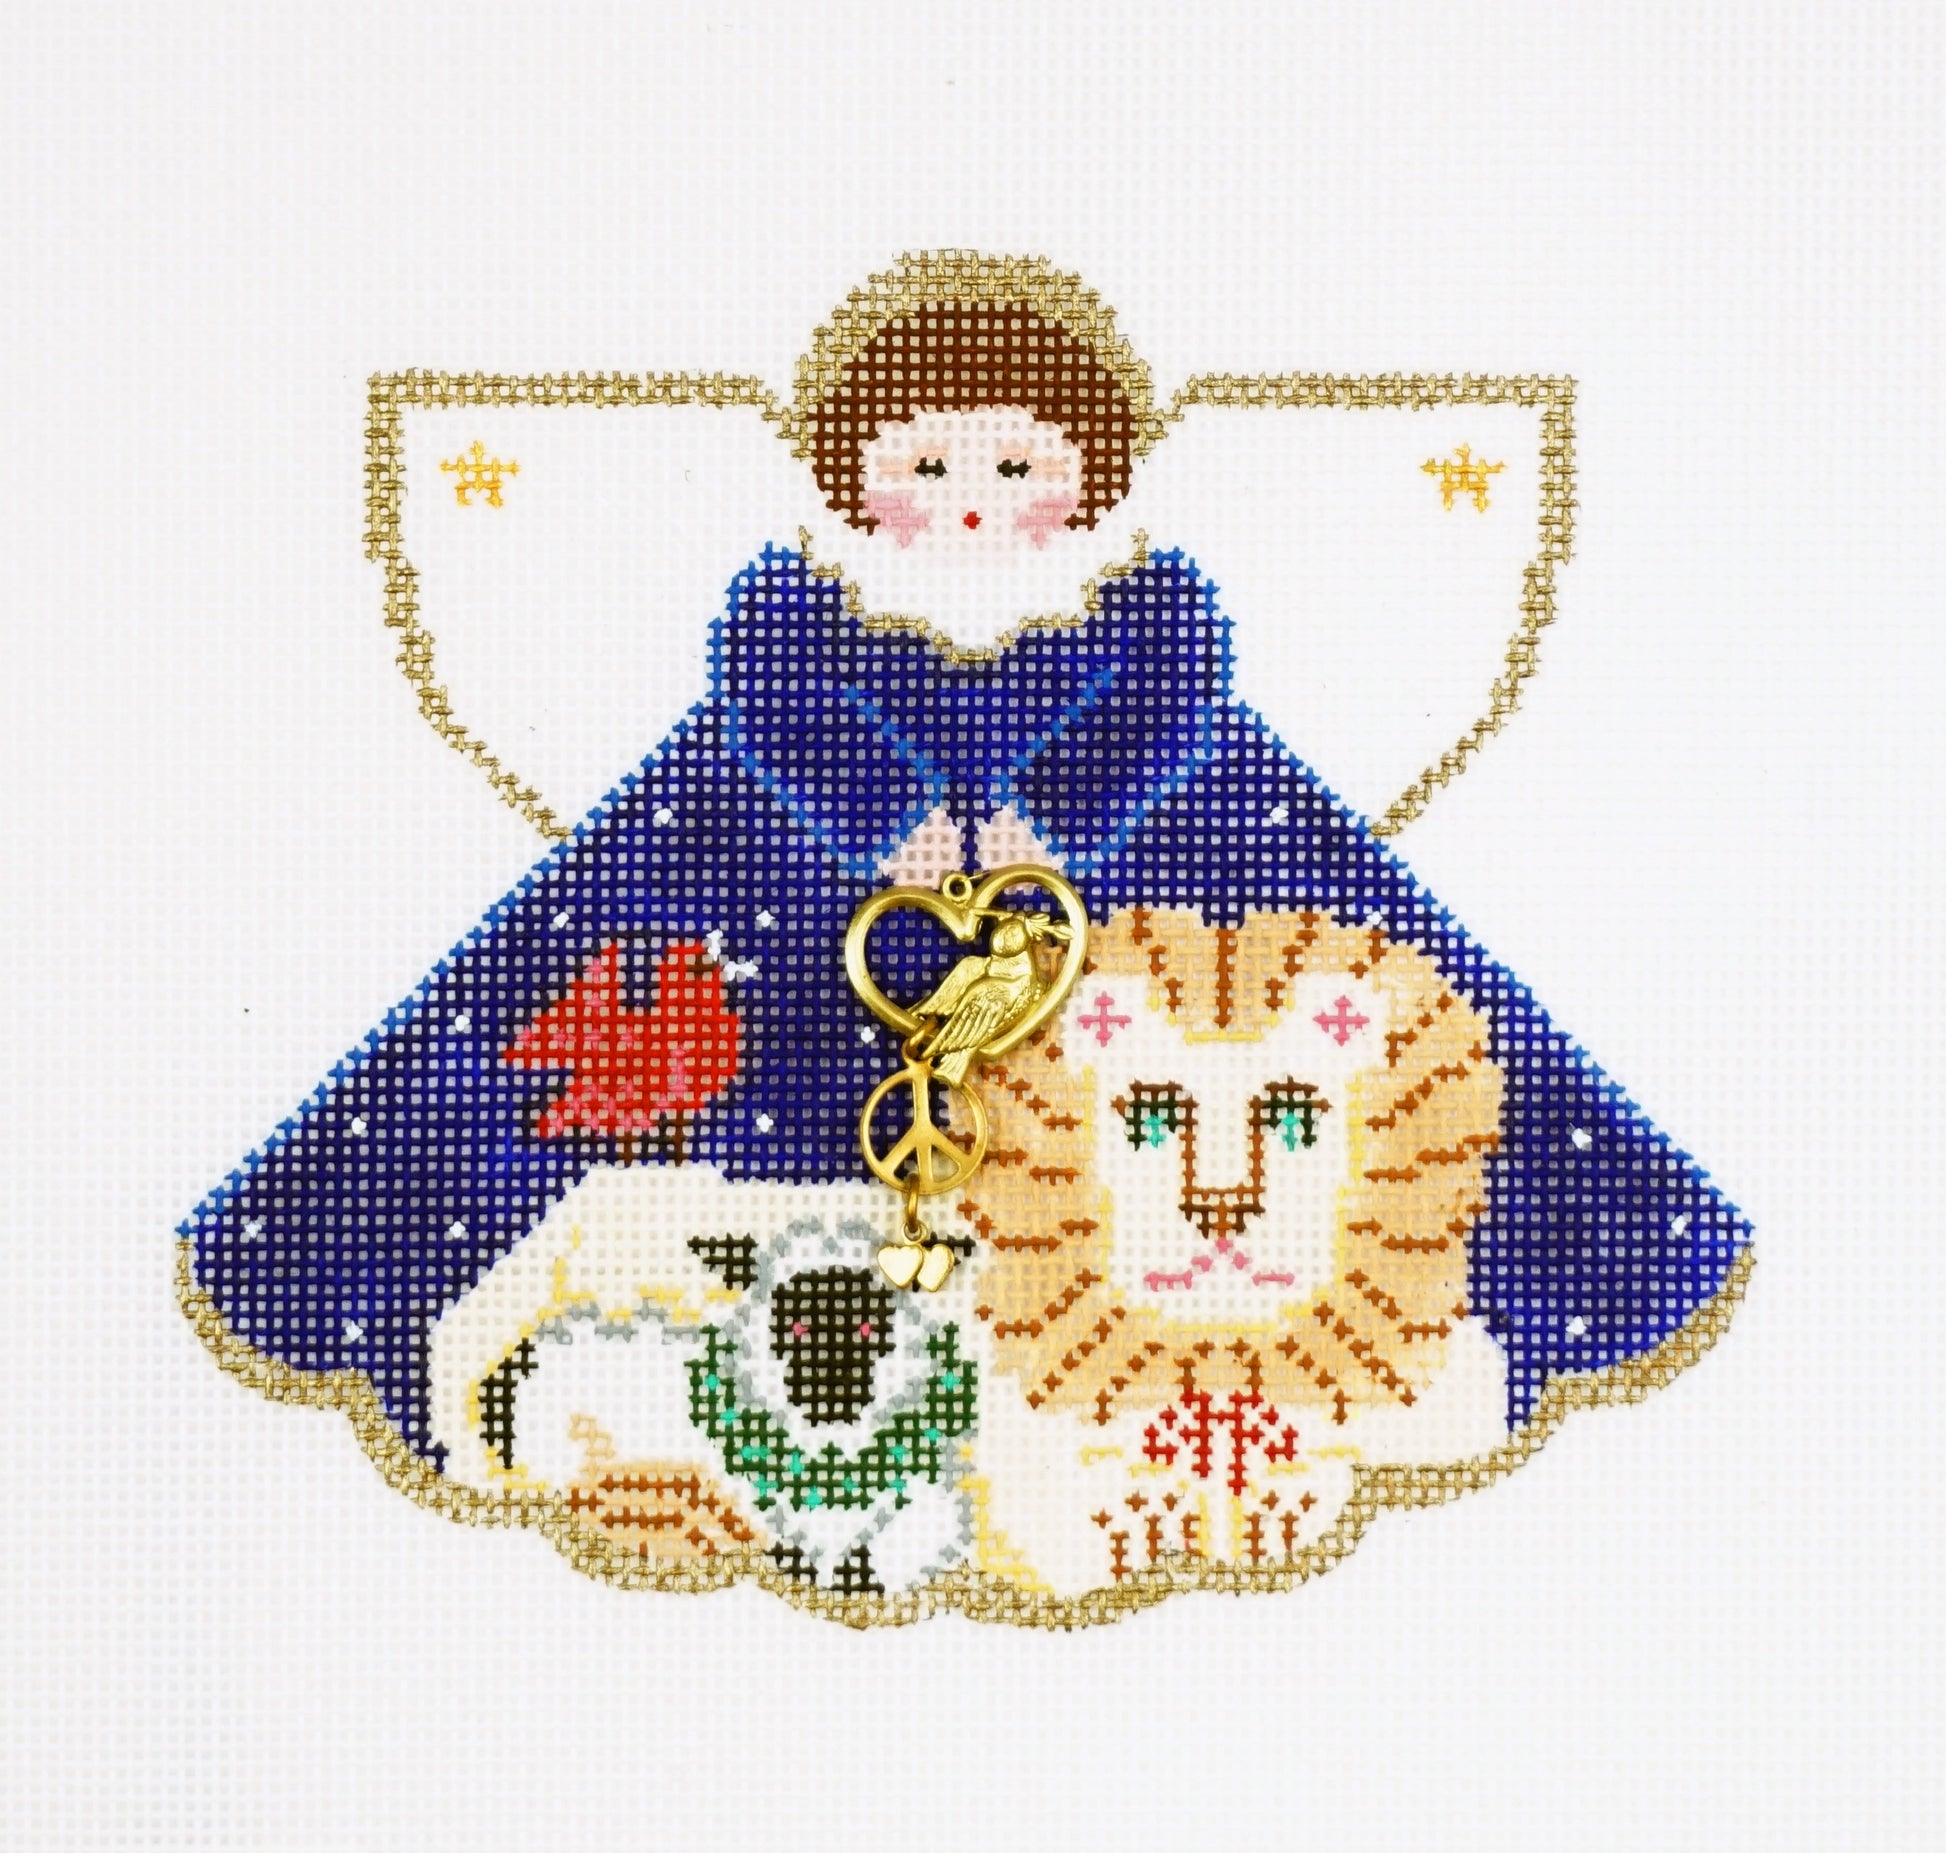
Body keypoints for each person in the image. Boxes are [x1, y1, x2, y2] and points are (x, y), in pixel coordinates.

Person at [184, 256, 1749, 1588]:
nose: (971, 506)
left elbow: (1164, 713)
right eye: (925, 467)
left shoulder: (1143, 633)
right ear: (852, 474)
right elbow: (777, 708)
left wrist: (1060, 820)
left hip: (1118, 905)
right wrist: (883, 820)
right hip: (797, 905)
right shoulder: (797, 625)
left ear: (1090, 474)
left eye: (1016, 467)